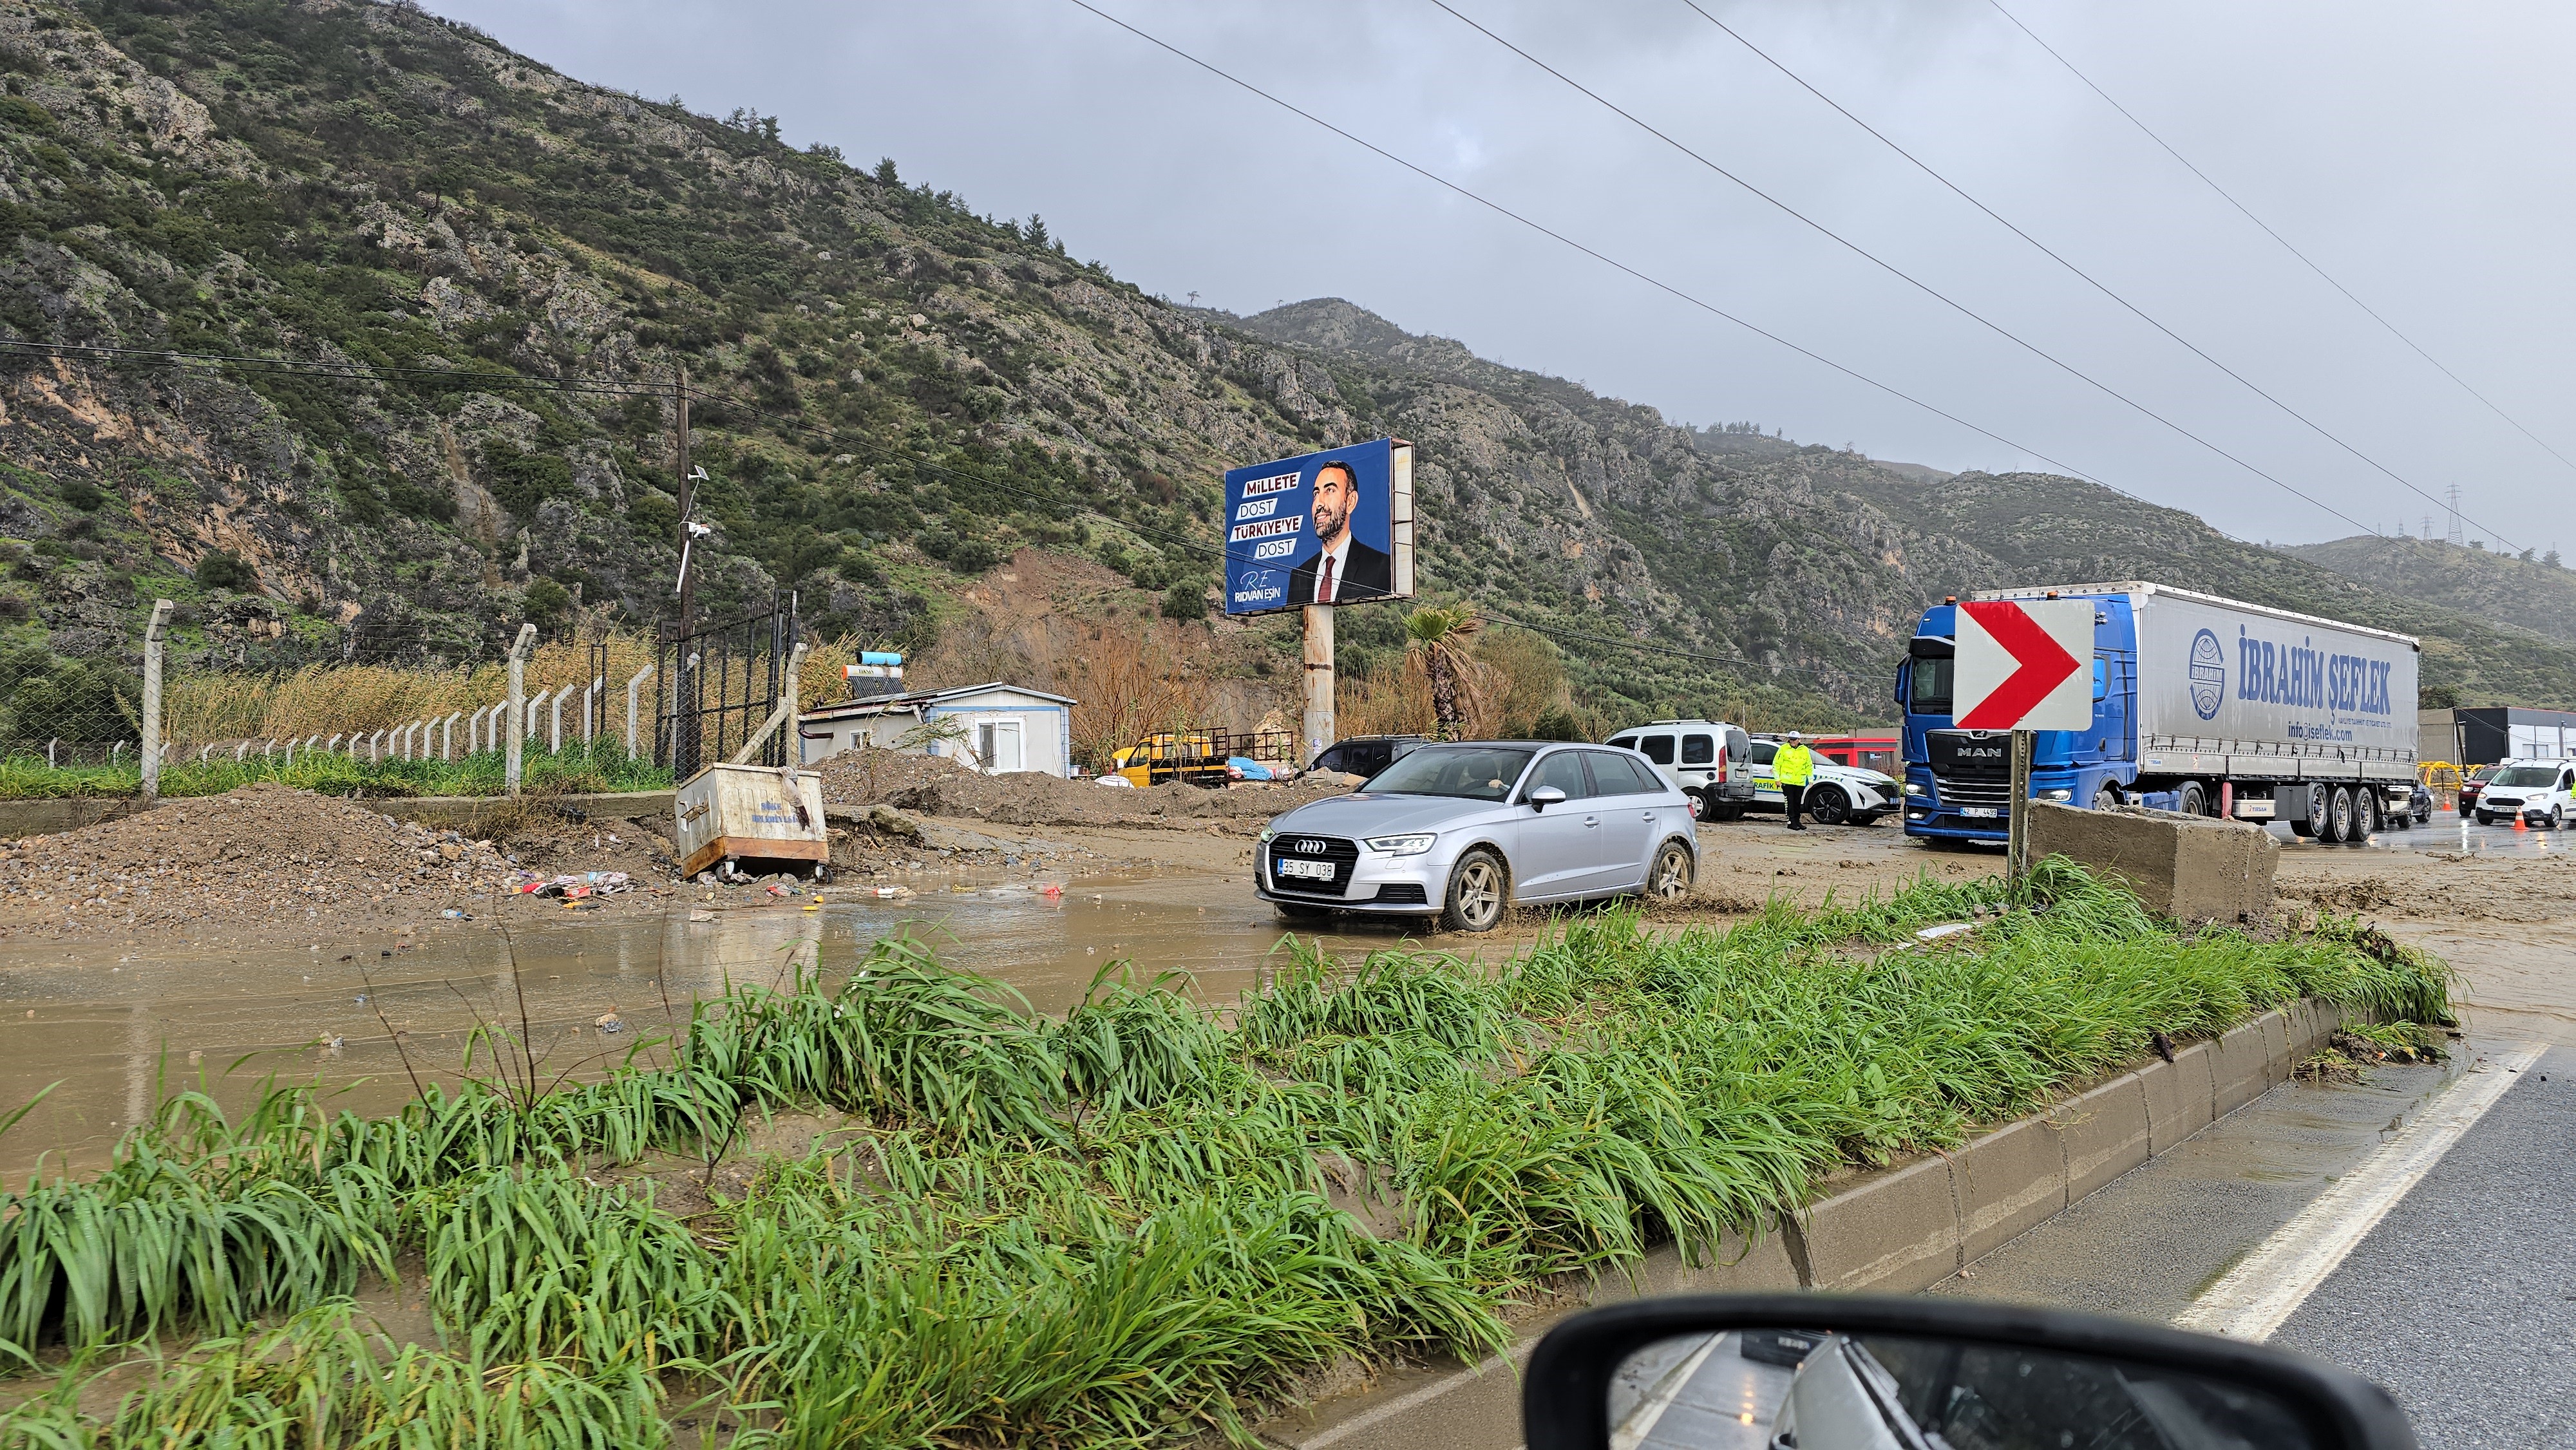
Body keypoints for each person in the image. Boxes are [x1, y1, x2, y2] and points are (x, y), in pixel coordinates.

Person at [1287, 458, 1393, 605]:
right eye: (1316, 494)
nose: (1319, 503)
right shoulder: (1299, 576)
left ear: (1351, 502)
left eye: (1329, 491)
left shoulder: (1381, 566)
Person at [1775, 730, 1817, 831]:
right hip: (1787, 781)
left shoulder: (1804, 750)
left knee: (1797, 802)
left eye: (1794, 739)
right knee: (1790, 802)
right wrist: (1777, 779)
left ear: (1799, 740)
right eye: (1791, 739)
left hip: (1800, 781)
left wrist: (1810, 778)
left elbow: (1808, 765)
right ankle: (1791, 822)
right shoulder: (1783, 749)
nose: (1792, 741)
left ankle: (1797, 821)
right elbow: (1776, 764)